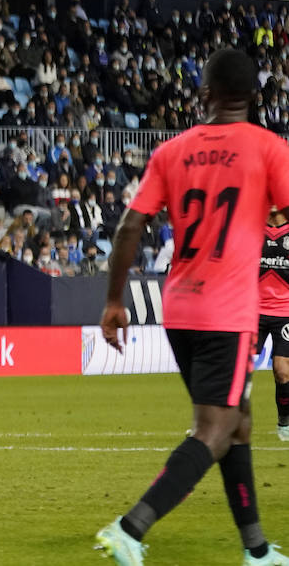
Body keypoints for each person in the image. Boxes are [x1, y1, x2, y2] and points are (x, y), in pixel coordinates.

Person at [96, 49, 289, 566]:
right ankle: (130, 527)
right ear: (256, 97)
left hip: (179, 309)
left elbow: (129, 226)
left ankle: (256, 548)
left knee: (239, 422)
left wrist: (115, 300)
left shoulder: (172, 150)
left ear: (204, 93)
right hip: (228, 314)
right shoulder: (270, 149)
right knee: (215, 428)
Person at [260, 208, 289, 441]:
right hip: (252, 311)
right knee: (234, 369)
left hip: (285, 313)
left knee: (282, 371)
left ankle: (284, 422)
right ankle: (217, 423)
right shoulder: (253, 228)